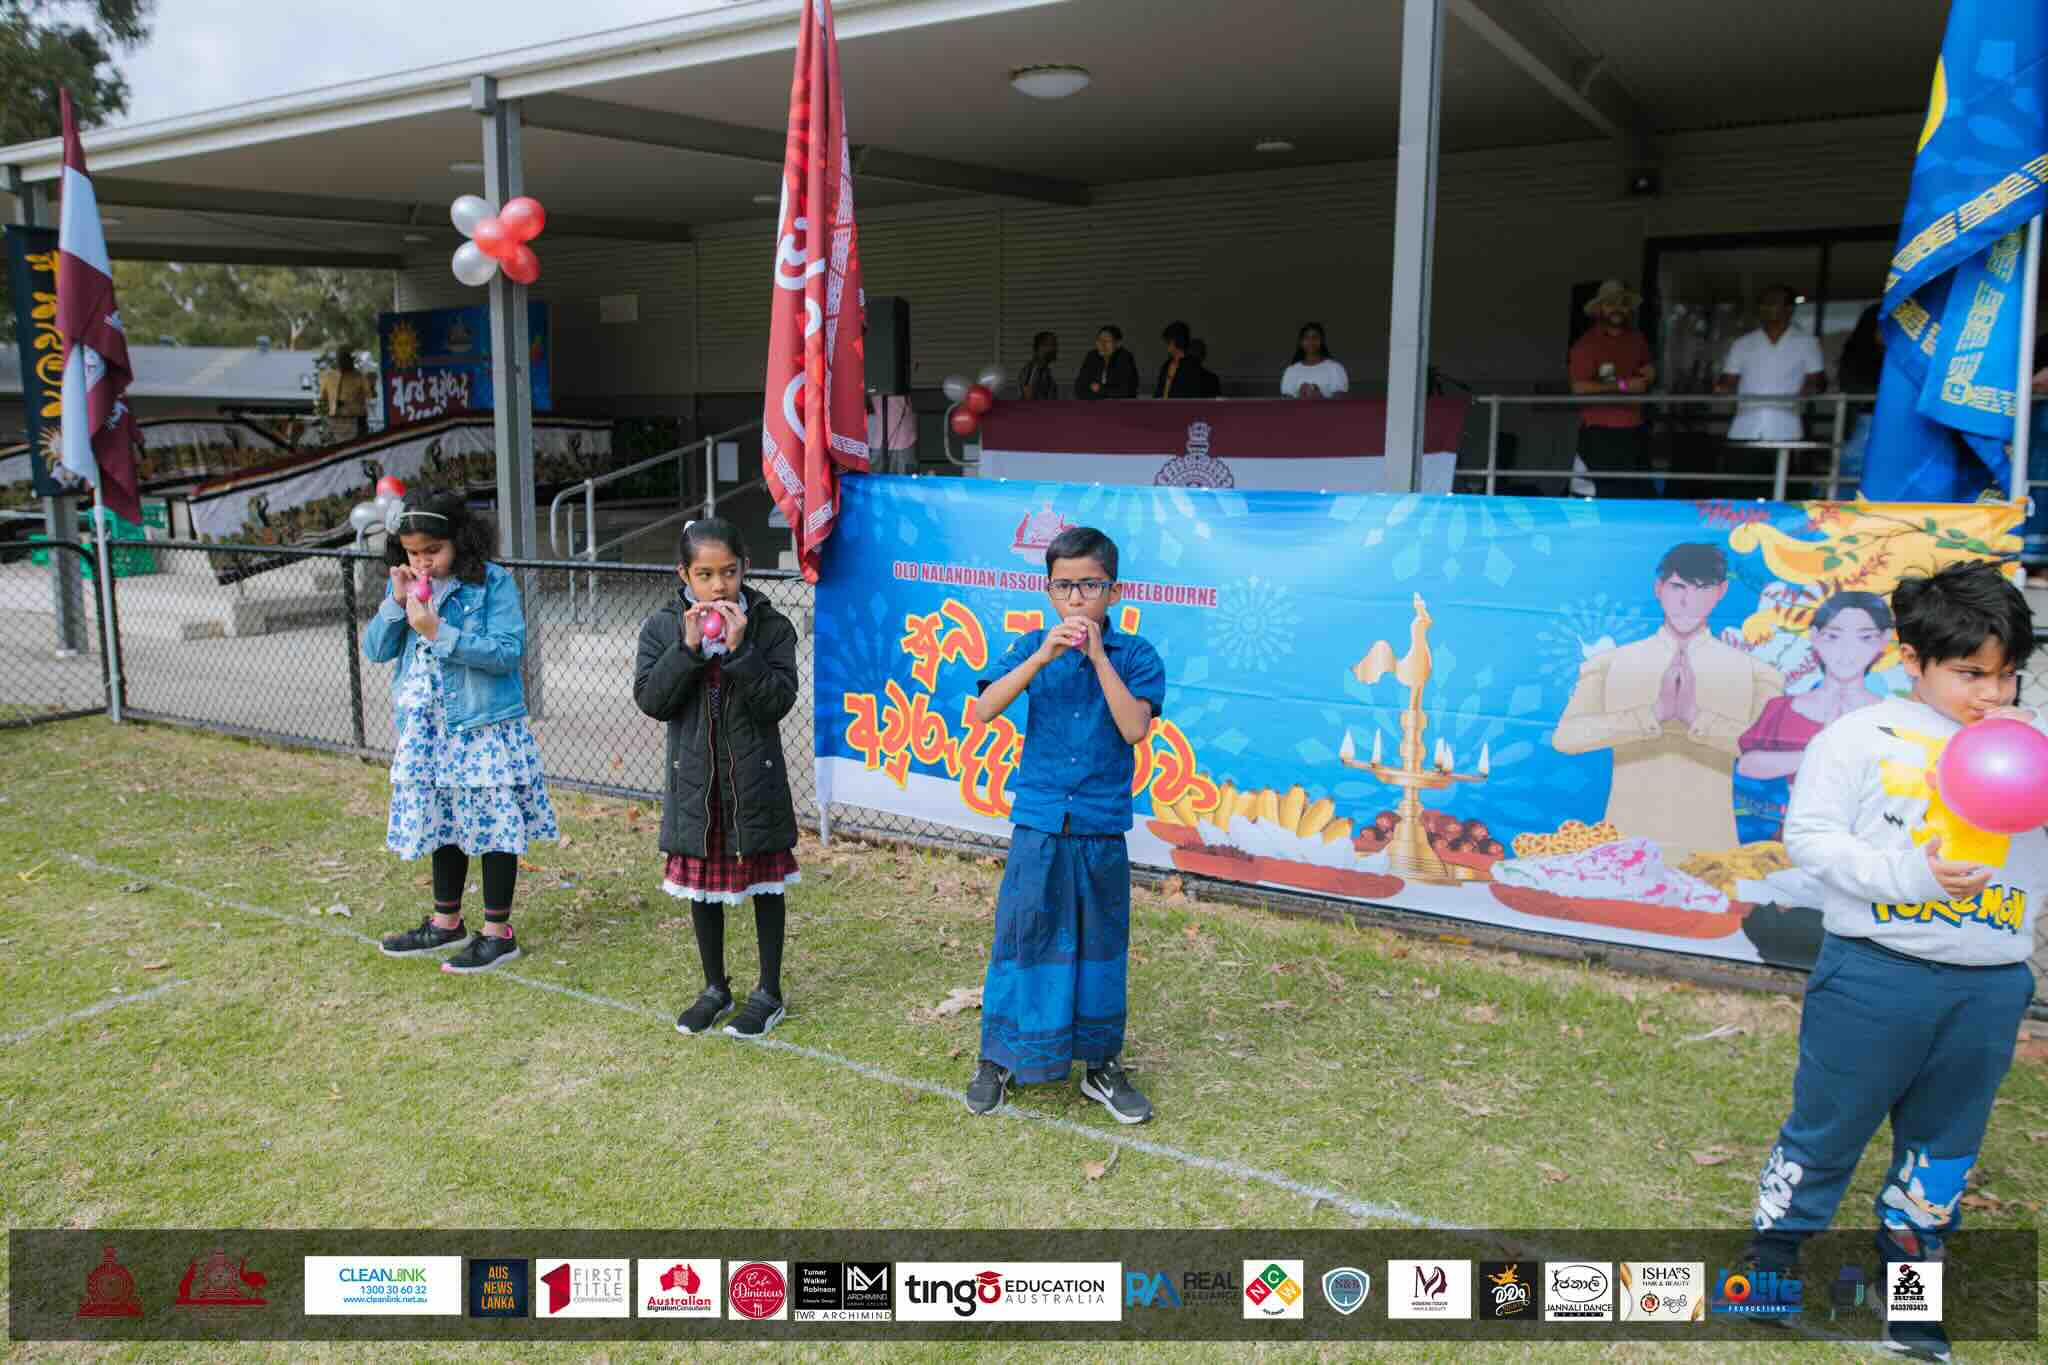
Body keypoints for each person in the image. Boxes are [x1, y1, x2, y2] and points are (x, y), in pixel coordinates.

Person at [1745, 562, 2044, 1365]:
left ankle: (1911, 1303)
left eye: (2008, 675)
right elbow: (1810, 841)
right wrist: (1912, 875)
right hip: (1876, 972)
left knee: (1942, 1154)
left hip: (1988, 985)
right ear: (1911, 661)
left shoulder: (2029, 751)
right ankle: (1770, 1268)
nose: (1992, 693)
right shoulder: (1860, 736)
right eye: (1969, 673)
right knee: (1826, 1132)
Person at [964, 525, 1166, 1124]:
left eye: (1090, 585)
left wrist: (1098, 655)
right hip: (1041, 821)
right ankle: (997, 1059)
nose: (1077, 599)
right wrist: (1044, 656)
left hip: (1102, 825)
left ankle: (1100, 1066)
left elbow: (1134, 729)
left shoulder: (1137, 655)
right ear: (1049, 591)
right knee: (1023, 937)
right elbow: (982, 708)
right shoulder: (1032, 645)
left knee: (1101, 948)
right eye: (1064, 586)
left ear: (1115, 590)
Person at [367, 491, 558, 974]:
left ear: (460, 540)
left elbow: (505, 652)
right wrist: (396, 601)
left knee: (494, 821)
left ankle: (498, 934)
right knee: (442, 818)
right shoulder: (408, 586)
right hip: (429, 727)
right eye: (412, 552)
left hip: (483, 724)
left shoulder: (491, 583)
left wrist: (437, 631)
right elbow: (374, 649)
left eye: (433, 549)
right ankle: (445, 920)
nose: (423, 561)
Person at [634, 517, 803, 1039]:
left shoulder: (770, 626)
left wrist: (741, 651)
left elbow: (777, 701)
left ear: (744, 569)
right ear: (683, 573)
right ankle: (714, 988)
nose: (718, 587)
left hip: (755, 781)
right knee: (702, 887)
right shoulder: (663, 626)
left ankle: (768, 991)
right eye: (704, 574)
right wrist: (685, 651)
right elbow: (651, 701)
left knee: (765, 884)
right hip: (695, 784)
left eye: (728, 573)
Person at [1552, 543, 1784, 860]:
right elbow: (1566, 737)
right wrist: (1652, 715)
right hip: (1622, 847)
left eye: (1702, 588)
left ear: (1721, 592)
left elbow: (1770, 756)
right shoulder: (1609, 664)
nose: (1688, 600)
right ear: (1658, 589)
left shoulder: (1757, 674)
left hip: (1712, 852)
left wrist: (1695, 717)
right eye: (1678, 586)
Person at [1733, 591, 1891, 844]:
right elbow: (1747, 765)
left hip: (1868, 846)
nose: (1846, 651)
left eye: (1864, 638)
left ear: (1884, 641)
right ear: (1815, 637)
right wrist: (1817, 752)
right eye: (1834, 636)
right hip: (1790, 840)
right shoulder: (1781, 708)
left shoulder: (1891, 717)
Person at [1567, 281, 1655, 495]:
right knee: (1604, 495)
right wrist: (1624, 385)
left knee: (1637, 496)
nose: (1617, 308)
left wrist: (1651, 373)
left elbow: (1645, 371)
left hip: (1635, 429)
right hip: (1601, 432)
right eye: (1610, 304)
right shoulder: (1587, 345)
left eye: (1623, 304)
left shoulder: (1637, 340)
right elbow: (1579, 387)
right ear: (1599, 309)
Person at [1716, 285, 1825, 445]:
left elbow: (1818, 381)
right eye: (1763, 303)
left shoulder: (1807, 343)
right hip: (1744, 428)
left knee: (1781, 470)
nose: (1766, 307)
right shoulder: (1742, 344)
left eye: (1773, 303)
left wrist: (1811, 387)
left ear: (1789, 309)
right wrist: (1722, 387)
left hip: (1786, 429)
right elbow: (1726, 381)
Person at [1831, 305, 1883, 500]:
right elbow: (1852, 385)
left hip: (1886, 424)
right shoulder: (1858, 355)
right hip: (1864, 422)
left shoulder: (1900, 355)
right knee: (1854, 474)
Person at [1280, 322, 1348, 398]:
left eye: (1315, 337)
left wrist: (1320, 396)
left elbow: (1340, 403)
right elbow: (1286, 403)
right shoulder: (1291, 371)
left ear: (1322, 341)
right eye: (1306, 338)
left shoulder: (1335, 368)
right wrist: (1301, 396)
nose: (1311, 341)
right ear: (1301, 342)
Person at [319, 349, 372, 440]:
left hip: (356, 421)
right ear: (338, 361)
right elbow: (323, 399)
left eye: (346, 359)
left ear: (350, 360)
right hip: (335, 422)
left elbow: (370, 396)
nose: (343, 362)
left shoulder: (360, 377)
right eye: (341, 359)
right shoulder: (328, 376)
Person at [1075, 325, 1139, 400]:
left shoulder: (1124, 358)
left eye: (1107, 341)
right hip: (1094, 405)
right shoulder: (1092, 357)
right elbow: (1079, 387)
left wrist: (1100, 389)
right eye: (1099, 340)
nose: (1102, 344)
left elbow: (1126, 390)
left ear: (1118, 344)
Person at [1153, 321, 1205, 398]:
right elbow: (1159, 392)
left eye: (1169, 342)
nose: (1168, 346)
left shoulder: (1192, 367)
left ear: (1174, 342)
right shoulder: (1167, 365)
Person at [1017, 331, 1060, 401]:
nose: (1055, 349)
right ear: (1041, 347)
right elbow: (1027, 396)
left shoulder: (1044, 371)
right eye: (1053, 344)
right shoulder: (1033, 369)